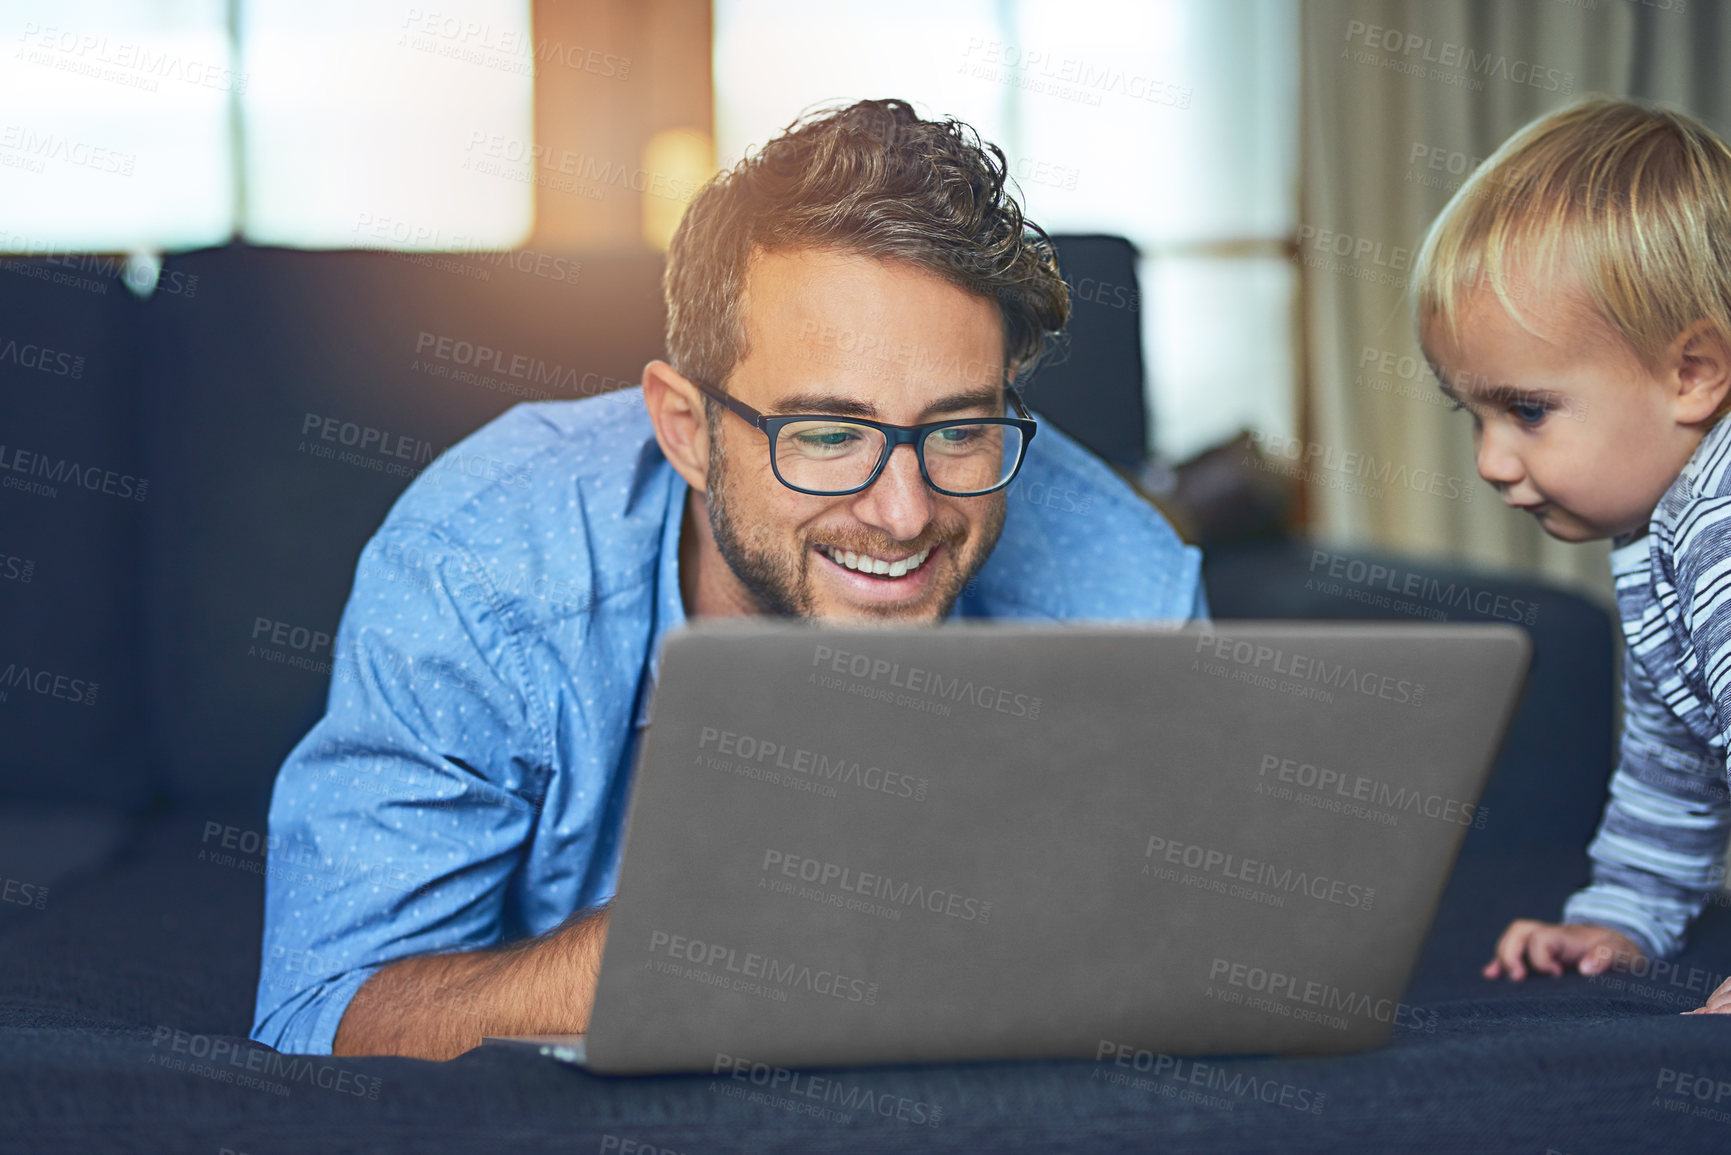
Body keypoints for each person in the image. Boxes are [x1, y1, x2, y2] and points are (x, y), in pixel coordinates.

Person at [250, 98, 1207, 1059]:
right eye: (829, 434)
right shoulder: (486, 563)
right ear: (685, 431)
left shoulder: (1126, 592)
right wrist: (682, 935)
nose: (904, 513)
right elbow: (321, 1014)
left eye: (959, 428)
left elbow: (1201, 970)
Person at [1413, 97, 1731, 1012]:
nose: (1489, 461)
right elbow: (1672, 761)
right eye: (1467, 414)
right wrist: (1623, 916)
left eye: (1527, 410)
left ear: (1691, 375)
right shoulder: (1659, 529)